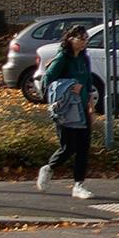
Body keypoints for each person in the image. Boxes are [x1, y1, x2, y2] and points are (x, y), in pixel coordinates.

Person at [35, 34, 102, 200]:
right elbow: (47, 82)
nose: (83, 42)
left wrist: (91, 107)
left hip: (83, 107)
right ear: (70, 39)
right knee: (68, 147)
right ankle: (49, 167)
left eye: (85, 38)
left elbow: (87, 83)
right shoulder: (62, 59)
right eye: (80, 38)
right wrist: (69, 85)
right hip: (66, 109)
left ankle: (79, 185)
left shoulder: (84, 59)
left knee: (83, 148)